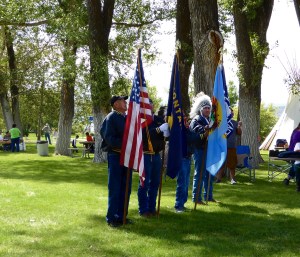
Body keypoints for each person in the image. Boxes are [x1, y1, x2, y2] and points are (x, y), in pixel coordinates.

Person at [100, 95, 132, 227]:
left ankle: (122, 215)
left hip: (126, 156)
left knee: (126, 187)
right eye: (122, 101)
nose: (125, 102)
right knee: (115, 187)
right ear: (115, 105)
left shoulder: (126, 118)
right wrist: (126, 144)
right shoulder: (111, 118)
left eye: (125, 101)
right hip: (116, 156)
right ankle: (112, 217)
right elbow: (109, 138)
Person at [137, 99, 169, 217]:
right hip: (145, 154)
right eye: (146, 106)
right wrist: (158, 130)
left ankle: (152, 208)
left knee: (155, 183)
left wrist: (165, 132)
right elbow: (143, 134)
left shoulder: (158, 119)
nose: (148, 108)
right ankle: (143, 209)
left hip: (156, 155)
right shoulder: (140, 120)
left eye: (150, 106)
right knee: (144, 183)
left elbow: (163, 133)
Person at [189, 92, 216, 204]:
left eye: (209, 108)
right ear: (200, 109)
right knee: (199, 173)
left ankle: (208, 196)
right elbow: (197, 131)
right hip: (199, 149)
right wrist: (205, 129)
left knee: (209, 173)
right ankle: (196, 198)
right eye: (205, 108)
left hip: (208, 149)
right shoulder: (197, 119)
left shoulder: (209, 120)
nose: (207, 110)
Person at [174, 113, 201, 213]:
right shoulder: (179, 130)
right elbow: (191, 138)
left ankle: (182, 203)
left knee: (186, 182)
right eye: (183, 117)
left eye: (186, 117)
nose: (186, 119)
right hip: (182, 158)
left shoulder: (186, 129)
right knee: (182, 182)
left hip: (188, 157)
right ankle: (178, 205)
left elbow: (194, 136)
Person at [216, 107, 242, 184]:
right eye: (229, 112)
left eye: (232, 112)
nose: (231, 113)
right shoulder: (221, 122)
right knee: (221, 164)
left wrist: (239, 127)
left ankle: (232, 179)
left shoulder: (235, 123)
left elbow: (239, 133)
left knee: (232, 164)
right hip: (222, 147)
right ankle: (218, 178)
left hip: (231, 147)